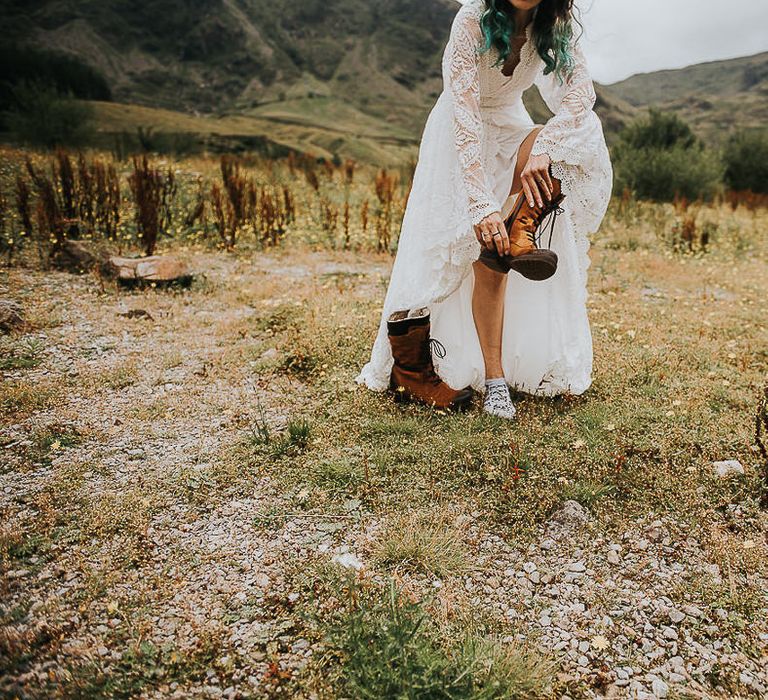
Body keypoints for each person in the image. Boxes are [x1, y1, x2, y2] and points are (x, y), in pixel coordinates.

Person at [355, 0, 612, 420]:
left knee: (579, 133)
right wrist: (479, 202)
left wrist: (543, 149)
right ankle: (420, 366)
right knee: (467, 249)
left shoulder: (556, 25)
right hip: (460, 137)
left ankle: (518, 231)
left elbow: (581, 94)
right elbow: (464, 111)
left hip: (511, 128)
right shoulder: (473, 18)